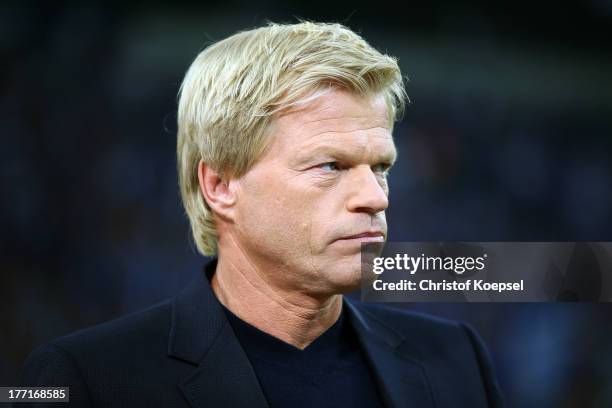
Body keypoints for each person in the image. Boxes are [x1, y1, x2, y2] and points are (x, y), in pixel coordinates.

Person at [20, 21, 503, 407]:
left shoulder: (456, 360)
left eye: (381, 167)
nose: (375, 197)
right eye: (331, 166)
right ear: (221, 185)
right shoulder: (84, 379)